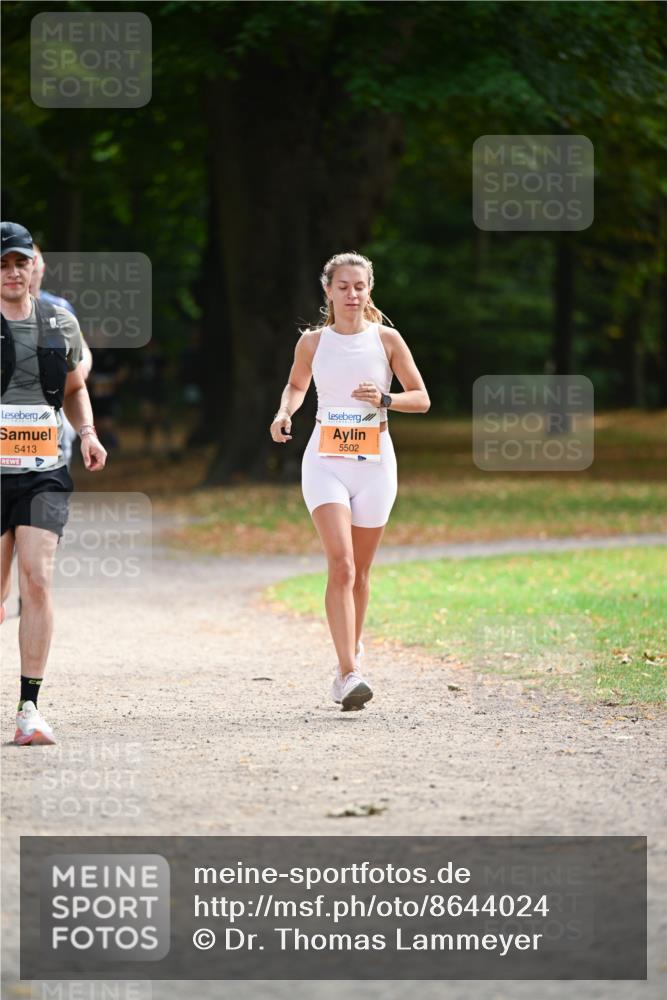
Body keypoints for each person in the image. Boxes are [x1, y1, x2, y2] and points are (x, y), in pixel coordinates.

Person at [270, 252, 430, 711]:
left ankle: (352, 653)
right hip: (325, 462)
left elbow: (421, 398)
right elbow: (297, 386)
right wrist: (284, 412)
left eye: (359, 286)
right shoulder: (312, 343)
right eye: (343, 286)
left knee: (360, 572)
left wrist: (384, 399)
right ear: (328, 290)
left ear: (369, 289)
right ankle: (347, 672)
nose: (352, 294)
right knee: (340, 566)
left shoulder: (387, 339)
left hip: (376, 464)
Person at [1, 221, 107, 745]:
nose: (12, 272)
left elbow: (74, 388)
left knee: (37, 580)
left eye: (20, 262)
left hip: (43, 471)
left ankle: (30, 707)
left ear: (33, 265)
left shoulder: (58, 321)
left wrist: (87, 433)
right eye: (2, 265)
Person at [29, 243, 93, 468]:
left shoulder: (60, 308)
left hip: (55, 404)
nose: (28, 276)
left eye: (33, 268)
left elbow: (82, 348)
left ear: (42, 269)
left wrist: (81, 366)